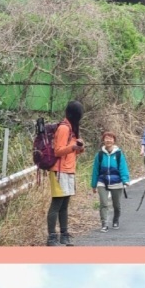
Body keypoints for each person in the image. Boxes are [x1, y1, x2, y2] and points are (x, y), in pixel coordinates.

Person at [47, 100, 84, 246]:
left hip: (69, 170)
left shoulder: (72, 128)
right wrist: (73, 147)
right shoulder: (63, 128)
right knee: (56, 205)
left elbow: (71, 152)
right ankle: (51, 237)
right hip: (59, 170)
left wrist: (79, 148)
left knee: (64, 205)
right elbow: (58, 151)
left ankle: (64, 234)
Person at [90, 131, 130, 231]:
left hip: (116, 181)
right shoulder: (99, 155)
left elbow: (123, 167)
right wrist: (94, 184)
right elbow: (95, 170)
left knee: (116, 205)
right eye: (106, 138)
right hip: (102, 181)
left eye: (110, 138)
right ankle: (104, 224)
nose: (108, 140)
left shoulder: (119, 154)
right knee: (104, 203)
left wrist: (125, 180)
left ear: (114, 141)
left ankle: (115, 220)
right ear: (103, 140)